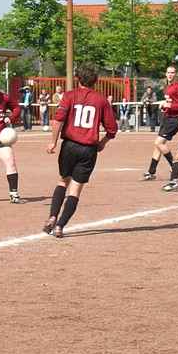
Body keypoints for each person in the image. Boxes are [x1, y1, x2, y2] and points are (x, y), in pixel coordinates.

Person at [43, 63, 118, 238]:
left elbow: (58, 120)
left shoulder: (69, 96)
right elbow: (112, 129)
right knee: (75, 190)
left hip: (69, 145)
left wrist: (52, 142)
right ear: (96, 81)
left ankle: (52, 216)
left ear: (77, 79)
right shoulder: (101, 100)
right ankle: (60, 226)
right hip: (88, 149)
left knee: (63, 181)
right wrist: (103, 142)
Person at [142, 65, 178, 181]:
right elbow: (170, 102)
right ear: (166, 74)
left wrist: (171, 107)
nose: (170, 75)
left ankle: (174, 165)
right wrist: (165, 107)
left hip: (173, 119)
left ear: (176, 74)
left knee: (159, 143)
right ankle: (151, 172)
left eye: (172, 72)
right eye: (168, 72)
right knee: (158, 146)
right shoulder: (167, 87)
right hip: (167, 117)